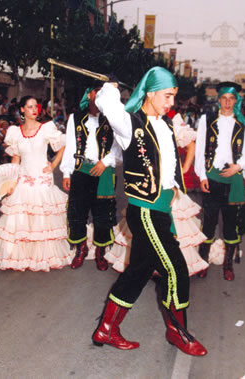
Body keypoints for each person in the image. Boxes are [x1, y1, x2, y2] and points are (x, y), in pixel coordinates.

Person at [91, 67, 207, 356]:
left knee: (139, 271)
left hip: (161, 208)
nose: (171, 103)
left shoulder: (165, 125)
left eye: (174, 97)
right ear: (151, 92)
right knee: (177, 270)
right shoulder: (130, 123)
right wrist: (112, 85)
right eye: (167, 96)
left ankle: (106, 329)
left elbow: (168, 167)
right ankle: (178, 333)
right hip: (145, 212)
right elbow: (105, 101)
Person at [105, 113, 208, 276]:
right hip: (148, 189)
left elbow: (191, 146)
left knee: (170, 232)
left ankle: (171, 271)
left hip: (168, 187)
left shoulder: (171, 121)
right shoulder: (138, 120)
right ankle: (151, 269)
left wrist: (184, 168)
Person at [0, 95, 73, 271]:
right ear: (22, 110)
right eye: (30, 106)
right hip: (23, 178)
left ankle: (43, 257)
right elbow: (15, 158)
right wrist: (11, 182)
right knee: (20, 219)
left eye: (36, 107)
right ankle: (21, 257)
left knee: (42, 219)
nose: (35, 110)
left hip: (43, 179)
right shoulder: (14, 132)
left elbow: (62, 146)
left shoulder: (46, 128)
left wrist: (54, 164)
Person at [194, 81, 245, 281]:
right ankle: (203, 262)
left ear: (236, 101)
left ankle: (228, 265)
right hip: (212, 177)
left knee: (230, 224)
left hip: (233, 178)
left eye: (231, 99)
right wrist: (202, 175)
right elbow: (201, 149)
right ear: (218, 100)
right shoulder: (206, 120)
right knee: (208, 223)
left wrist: (238, 166)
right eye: (224, 98)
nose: (227, 103)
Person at [60, 82, 122, 271]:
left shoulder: (113, 118)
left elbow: (119, 147)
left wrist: (106, 161)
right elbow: (70, 145)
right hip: (81, 169)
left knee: (103, 214)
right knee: (77, 212)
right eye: (98, 91)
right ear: (89, 95)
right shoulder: (75, 117)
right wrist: (66, 172)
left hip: (104, 170)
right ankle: (81, 248)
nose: (101, 95)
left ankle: (101, 251)